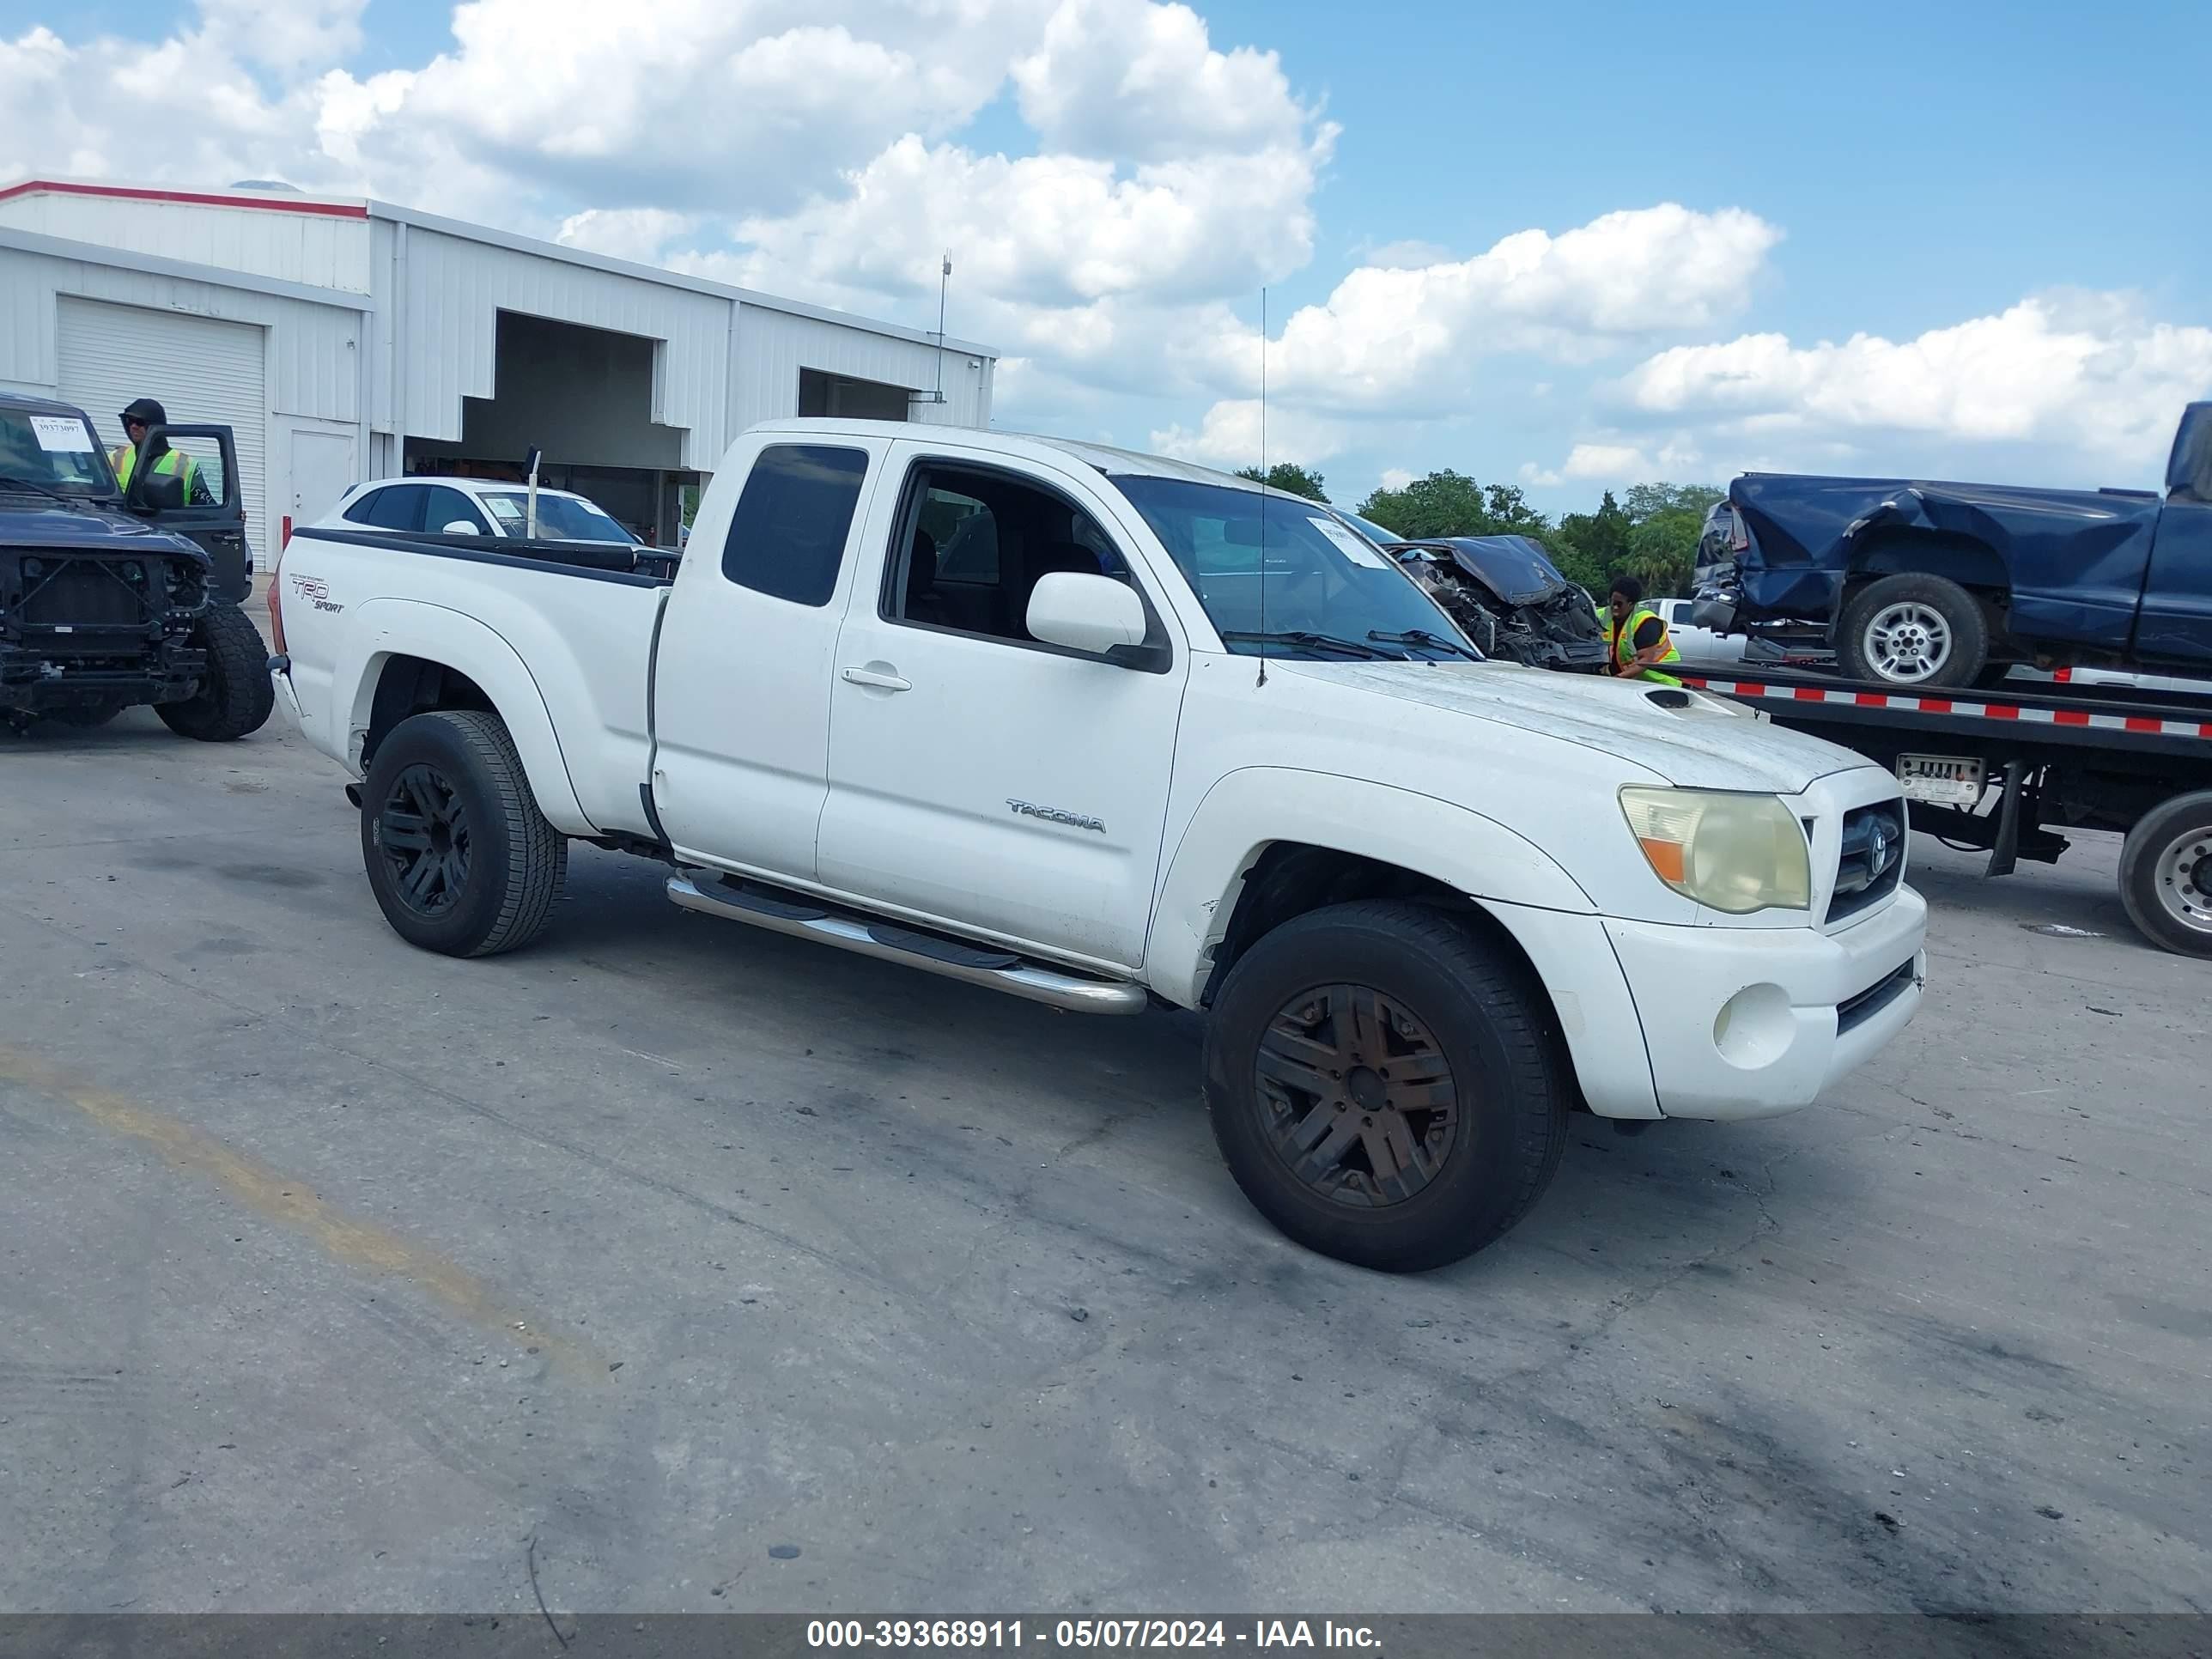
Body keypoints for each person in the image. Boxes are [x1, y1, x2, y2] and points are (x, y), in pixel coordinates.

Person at [110, 398, 213, 506]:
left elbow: (207, 509)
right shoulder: (115, 457)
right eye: (130, 421)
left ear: (155, 425)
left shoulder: (186, 464)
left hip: (167, 521)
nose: (133, 426)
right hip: (122, 521)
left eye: (139, 422)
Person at [1606, 575, 1683, 685]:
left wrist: (1615, 679)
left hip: (1662, 683)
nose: (1615, 607)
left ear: (1631, 604)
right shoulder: (1603, 616)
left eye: (1619, 604)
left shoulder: (1646, 622)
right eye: (1612, 602)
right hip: (1633, 682)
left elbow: (1645, 661)